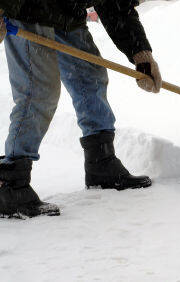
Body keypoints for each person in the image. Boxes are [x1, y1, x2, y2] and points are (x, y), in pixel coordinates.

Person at [0, 1, 162, 218]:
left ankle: (101, 163)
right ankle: (11, 184)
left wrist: (140, 53)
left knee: (90, 77)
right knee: (38, 90)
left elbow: (116, 5)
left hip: (66, 12)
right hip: (27, 9)